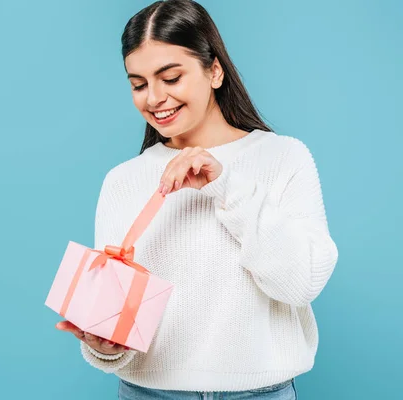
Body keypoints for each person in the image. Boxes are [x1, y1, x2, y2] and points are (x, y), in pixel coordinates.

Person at [56, 0, 339, 398]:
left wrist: (225, 186)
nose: (154, 98)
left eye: (170, 78)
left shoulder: (283, 158)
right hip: (148, 393)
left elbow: (301, 283)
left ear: (215, 70)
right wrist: (104, 345)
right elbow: (116, 321)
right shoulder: (124, 181)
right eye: (138, 84)